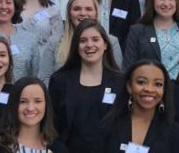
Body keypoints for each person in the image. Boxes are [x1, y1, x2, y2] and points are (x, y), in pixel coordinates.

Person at [48, 19, 123, 152]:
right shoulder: (59, 81)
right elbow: (51, 128)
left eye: (95, 39)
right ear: (76, 47)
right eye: (83, 41)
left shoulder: (120, 82)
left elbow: (125, 127)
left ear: (105, 44)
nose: (89, 45)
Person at [101, 61, 179, 153]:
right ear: (129, 86)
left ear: (163, 90)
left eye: (158, 84)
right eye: (141, 82)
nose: (149, 89)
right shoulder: (110, 124)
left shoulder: (174, 131)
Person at [0, 77, 68, 153]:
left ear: (46, 105)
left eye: (38, 101)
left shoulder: (58, 149)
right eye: (23, 101)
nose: (30, 108)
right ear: (13, 105)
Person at [55, 0, 125, 69]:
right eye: (77, 9)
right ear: (69, 14)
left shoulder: (112, 42)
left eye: (88, 9)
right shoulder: (54, 42)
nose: (83, 13)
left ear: (96, 13)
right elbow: (45, 77)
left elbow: (118, 75)